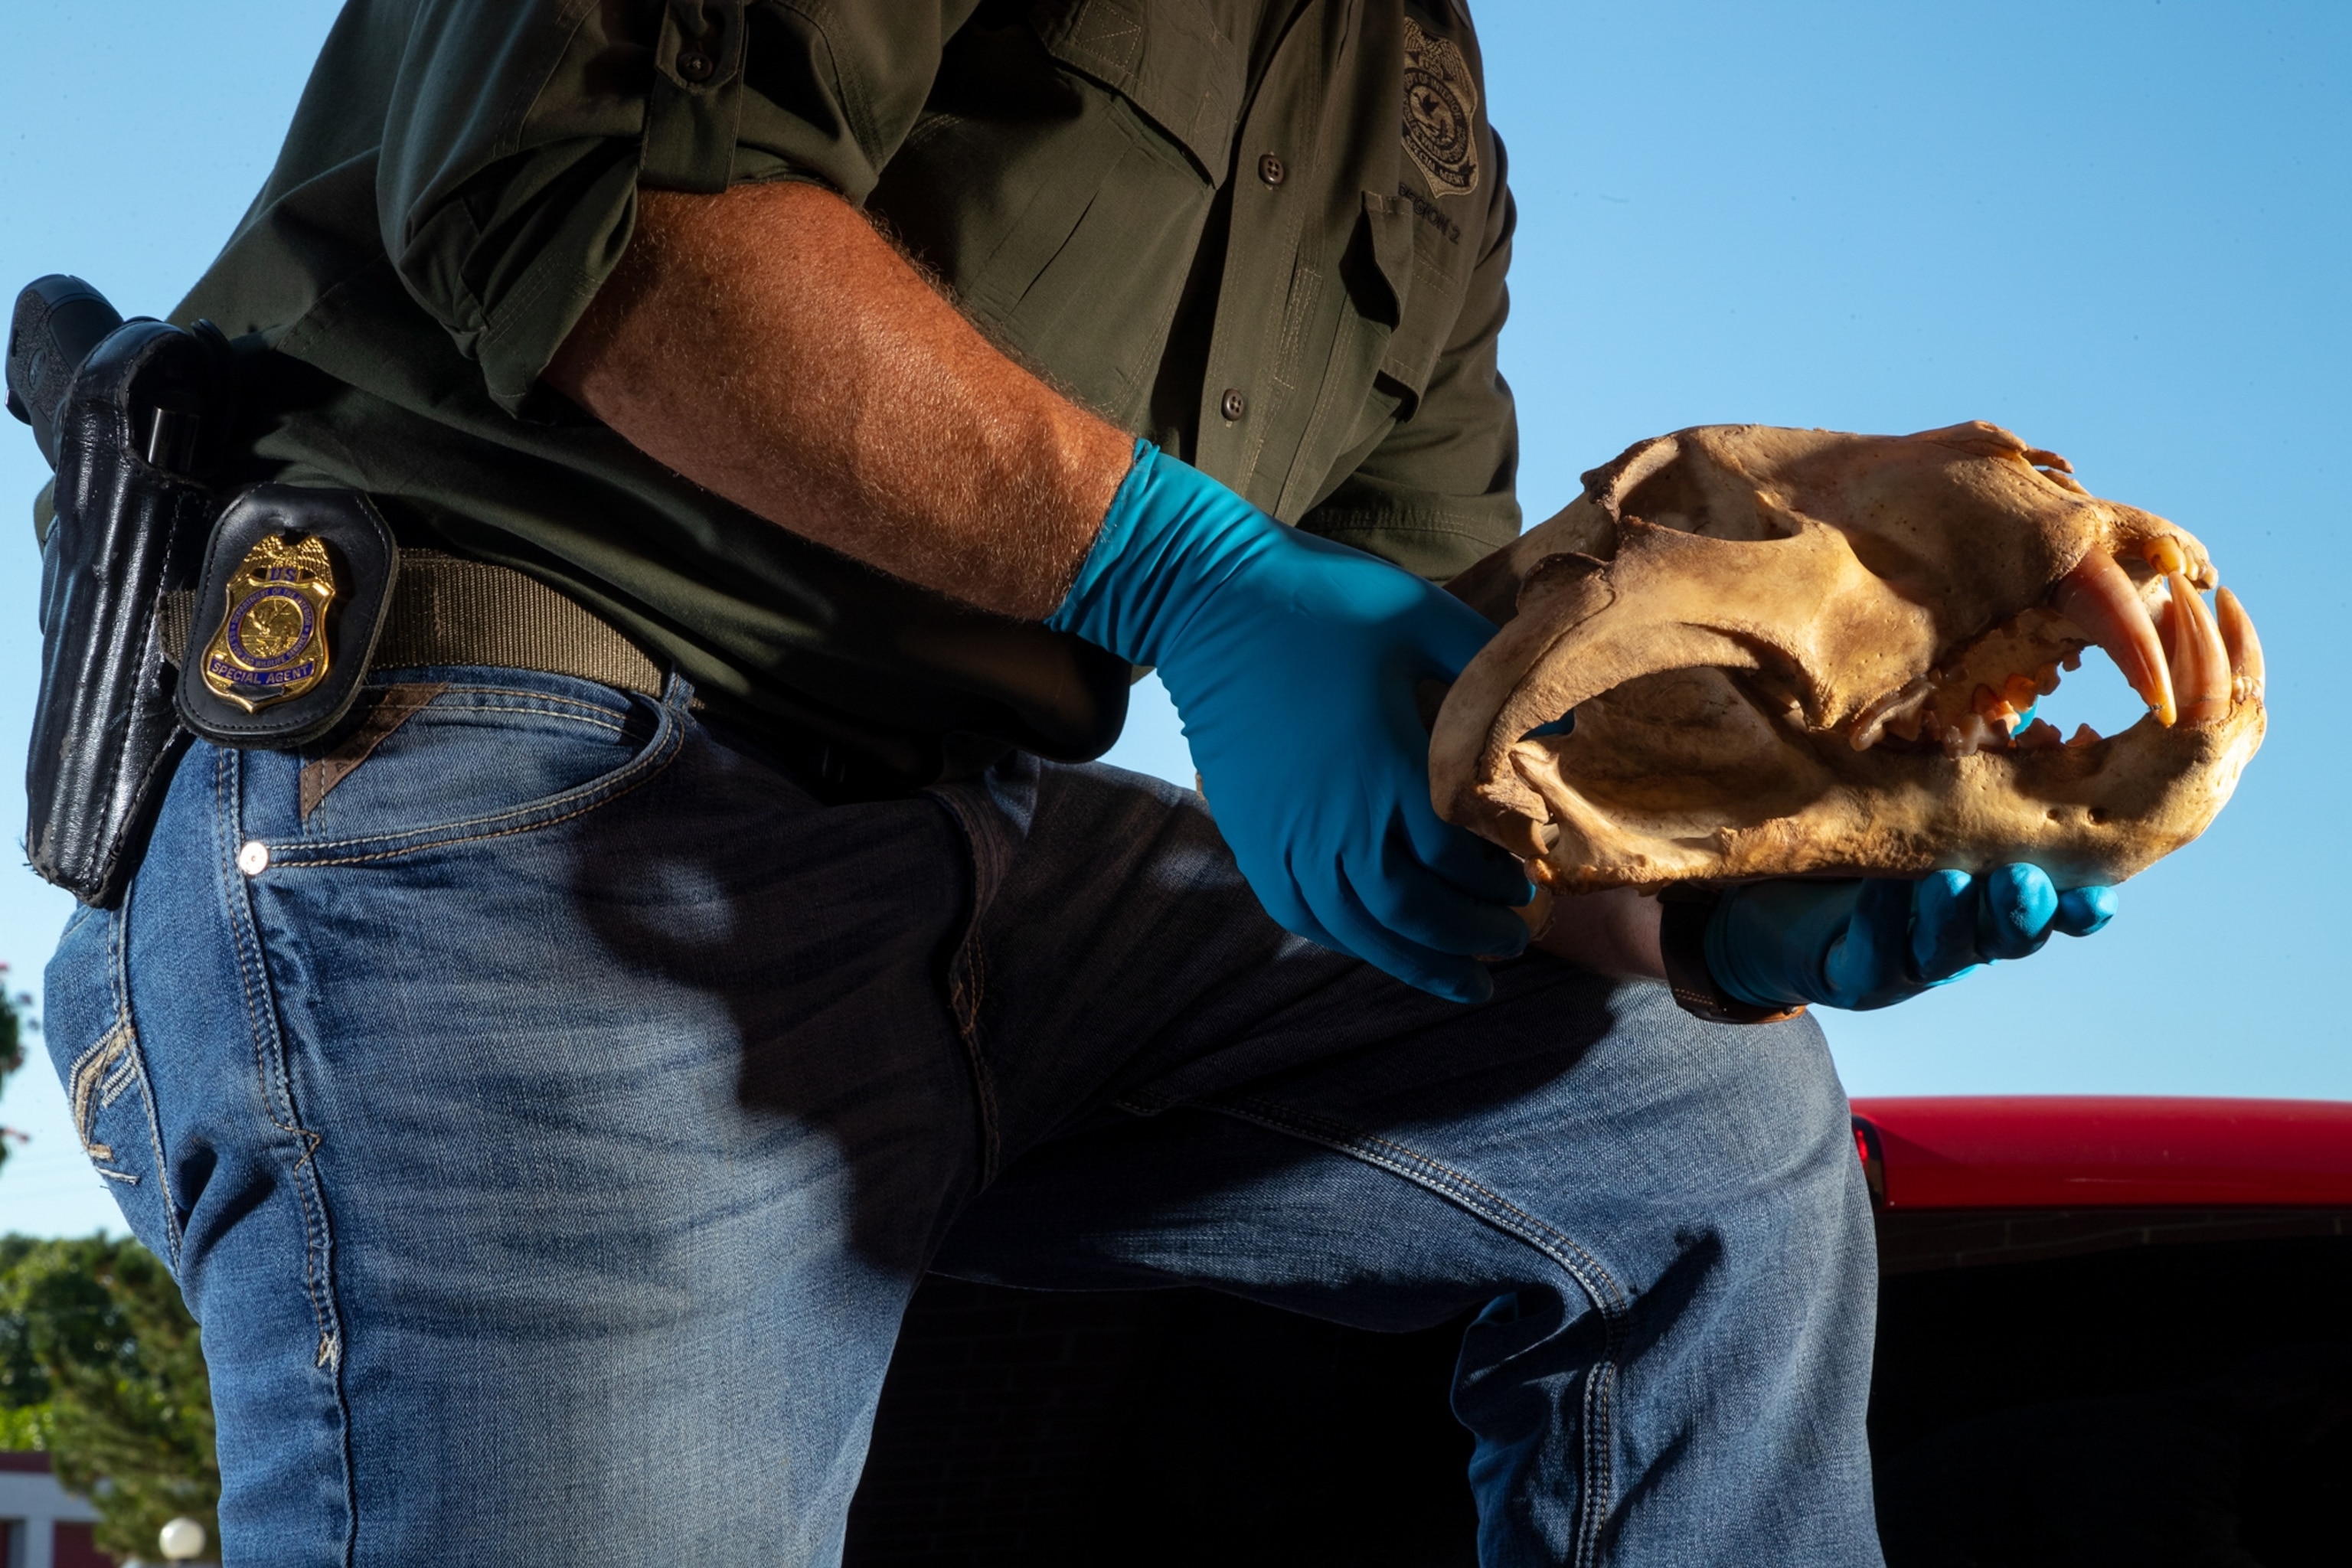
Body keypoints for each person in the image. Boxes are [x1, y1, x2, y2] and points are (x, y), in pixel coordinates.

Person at [37, 2, 2110, 1563]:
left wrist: (1721, 897)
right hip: (505, 777)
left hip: (965, 850)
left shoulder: (1419, 104)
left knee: (1697, 1122)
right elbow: (582, 203)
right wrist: (1185, 569)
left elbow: (1429, 745)